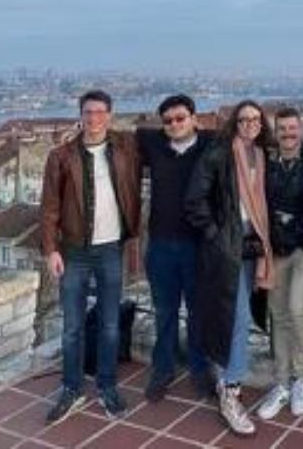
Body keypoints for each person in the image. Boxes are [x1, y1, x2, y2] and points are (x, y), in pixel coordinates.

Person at [40, 90, 141, 421]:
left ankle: (107, 387)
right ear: (81, 115)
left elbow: (167, 139)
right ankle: (71, 388)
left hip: (111, 248)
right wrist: (50, 249)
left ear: (110, 115)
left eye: (100, 112)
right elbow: (50, 207)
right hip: (74, 251)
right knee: (72, 326)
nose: (94, 118)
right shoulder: (62, 156)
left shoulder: (125, 148)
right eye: (88, 112)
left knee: (110, 325)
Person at [185, 100, 276, 437]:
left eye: (255, 118)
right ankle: (230, 390)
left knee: (242, 315)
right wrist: (216, 236)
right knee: (234, 316)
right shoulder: (220, 153)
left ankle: (226, 377)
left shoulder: (260, 155)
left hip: (254, 244)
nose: (250, 123)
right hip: (228, 247)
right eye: (244, 119)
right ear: (234, 123)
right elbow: (194, 200)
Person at [136, 94, 216, 401]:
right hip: (160, 244)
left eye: (181, 118)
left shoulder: (210, 145)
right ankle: (163, 368)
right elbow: (129, 132)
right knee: (164, 310)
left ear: (194, 119)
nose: (174, 124)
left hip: (197, 245)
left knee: (198, 310)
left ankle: (199, 367)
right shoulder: (154, 144)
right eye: (168, 120)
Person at [256, 107, 303, 420]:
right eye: (283, 130)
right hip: (275, 247)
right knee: (277, 314)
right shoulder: (266, 162)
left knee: (298, 309)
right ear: (275, 133)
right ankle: (282, 381)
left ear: (302, 130)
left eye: (293, 129)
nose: (288, 134)